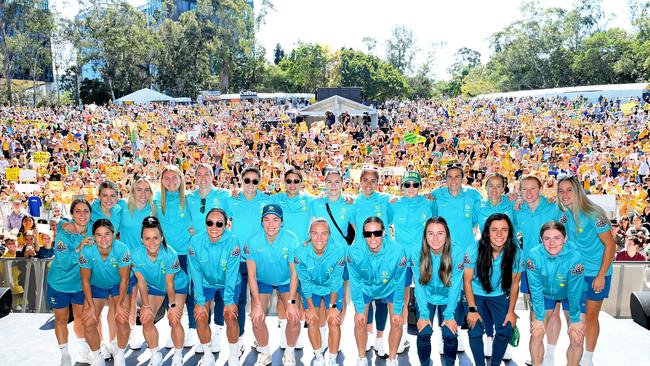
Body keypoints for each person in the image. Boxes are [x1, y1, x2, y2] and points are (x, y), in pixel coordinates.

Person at [557, 175, 616, 366]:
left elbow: (610, 246)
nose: (565, 194)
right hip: (575, 275)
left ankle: (588, 357)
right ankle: (576, 353)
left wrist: (600, 276)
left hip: (596, 274)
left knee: (591, 317)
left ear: (578, 191)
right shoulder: (564, 215)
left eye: (569, 190)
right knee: (575, 318)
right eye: (561, 191)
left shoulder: (594, 214)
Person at [430, 163, 482, 353]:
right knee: (444, 292)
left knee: (461, 293)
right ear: (445, 178)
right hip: (443, 252)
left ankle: (457, 331)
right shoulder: (436, 195)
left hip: (466, 253)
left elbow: (477, 220)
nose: (453, 180)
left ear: (463, 178)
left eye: (457, 176)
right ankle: (444, 332)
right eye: (449, 176)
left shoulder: (473, 195)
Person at [244, 204, 301, 366]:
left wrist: (291, 302)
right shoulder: (252, 241)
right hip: (263, 281)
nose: (271, 224)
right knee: (256, 317)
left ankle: (289, 353)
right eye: (267, 219)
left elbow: (294, 273)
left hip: (286, 281)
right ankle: (265, 352)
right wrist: (256, 304)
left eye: (275, 220)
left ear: (282, 222)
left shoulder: (291, 239)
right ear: (261, 222)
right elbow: (252, 275)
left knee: (294, 316)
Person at [464, 213, 523, 366]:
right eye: (494, 229)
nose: (499, 234)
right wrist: (471, 309)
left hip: (499, 294)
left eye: (504, 229)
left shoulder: (516, 253)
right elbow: (467, 281)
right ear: (487, 232)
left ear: (509, 232)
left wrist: (511, 312)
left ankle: (495, 363)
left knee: (506, 329)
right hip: (476, 293)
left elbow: (515, 284)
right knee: (475, 328)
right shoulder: (474, 250)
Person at [514, 174, 562, 364]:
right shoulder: (518, 210)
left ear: (541, 189)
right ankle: (537, 353)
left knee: (555, 312)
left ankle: (549, 355)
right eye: (524, 189)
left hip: (553, 268)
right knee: (535, 312)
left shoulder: (553, 207)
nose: (529, 193)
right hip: (529, 269)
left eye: (533, 188)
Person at [348, 216, 407, 366]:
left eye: (377, 233)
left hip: (390, 287)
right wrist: (360, 310)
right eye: (368, 234)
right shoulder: (353, 252)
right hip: (365, 287)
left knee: (397, 321)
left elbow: (400, 283)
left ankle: (392, 359)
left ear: (384, 232)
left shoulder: (398, 251)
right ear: (363, 235)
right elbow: (355, 283)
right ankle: (362, 358)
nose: (372, 238)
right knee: (360, 321)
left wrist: (398, 310)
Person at [188, 208, 243, 366]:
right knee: (200, 315)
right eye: (210, 222)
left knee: (230, 315)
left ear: (225, 225)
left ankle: (233, 355)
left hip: (228, 282)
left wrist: (228, 301)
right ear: (205, 224)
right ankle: (207, 355)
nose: (214, 227)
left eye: (219, 224)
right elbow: (195, 273)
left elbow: (232, 274)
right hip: (205, 282)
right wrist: (199, 302)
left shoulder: (233, 241)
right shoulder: (195, 242)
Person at [131, 216, 189, 366]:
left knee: (174, 319)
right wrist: (145, 306)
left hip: (176, 285)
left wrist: (173, 307)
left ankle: (178, 355)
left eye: (156, 238)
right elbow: (141, 283)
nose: (152, 243)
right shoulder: (136, 255)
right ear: (142, 239)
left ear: (162, 237)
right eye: (147, 238)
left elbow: (169, 283)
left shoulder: (170, 254)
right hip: (155, 286)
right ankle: (155, 354)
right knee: (146, 319)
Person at [528, 221, 587, 366]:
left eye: (557, 237)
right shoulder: (533, 255)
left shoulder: (575, 257)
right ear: (541, 239)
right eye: (547, 238)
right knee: (536, 333)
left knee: (577, 337)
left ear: (565, 238)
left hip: (571, 294)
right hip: (545, 293)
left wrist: (574, 319)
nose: (552, 243)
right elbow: (535, 289)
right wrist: (540, 318)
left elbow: (574, 291)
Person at [186, 163, 231, 353]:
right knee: (197, 289)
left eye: (207, 174)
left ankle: (219, 331)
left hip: (219, 249)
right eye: (199, 174)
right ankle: (198, 330)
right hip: (197, 251)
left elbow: (231, 220)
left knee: (220, 291)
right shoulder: (189, 198)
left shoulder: (224, 195)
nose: (203, 177)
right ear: (194, 177)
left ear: (213, 176)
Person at [226, 166, 272, 348]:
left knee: (257, 301)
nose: (250, 184)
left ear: (259, 182)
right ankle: (240, 339)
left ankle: (259, 339)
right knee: (239, 300)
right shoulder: (232, 201)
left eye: (254, 181)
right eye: (247, 180)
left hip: (259, 260)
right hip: (238, 260)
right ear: (241, 180)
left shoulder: (266, 201)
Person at [388, 170, 432, 354]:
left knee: (425, 296)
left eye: (415, 184)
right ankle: (403, 334)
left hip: (422, 256)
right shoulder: (393, 204)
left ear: (420, 187)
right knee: (402, 298)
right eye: (407, 184)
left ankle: (427, 332)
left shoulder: (429, 203)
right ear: (402, 187)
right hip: (401, 259)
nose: (411, 188)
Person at [411, 217, 464, 366]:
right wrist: (423, 314)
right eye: (430, 233)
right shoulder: (416, 252)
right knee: (424, 332)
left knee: (450, 333)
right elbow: (419, 285)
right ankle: (425, 363)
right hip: (426, 297)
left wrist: (449, 315)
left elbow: (455, 287)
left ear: (446, 235)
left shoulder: (457, 252)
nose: (435, 238)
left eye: (440, 233)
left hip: (449, 297)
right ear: (425, 235)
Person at [79, 219, 133, 366]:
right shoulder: (87, 250)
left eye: (107, 234)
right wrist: (90, 305)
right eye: (99, 235)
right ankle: (97, 356)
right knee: (89, 321)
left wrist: (120, 303)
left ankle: (120, 354)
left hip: (118, 285)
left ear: (114, 235)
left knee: (122, 318)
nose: (103, 239)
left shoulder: (122, 249)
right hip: (96, 286)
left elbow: (124, 280)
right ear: (93, 236)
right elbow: (85, 281)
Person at [154, 165, 197, 348]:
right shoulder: (156, 201)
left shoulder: (189, 200)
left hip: (186, 254)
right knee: (170, 294)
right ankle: (174, 328)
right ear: (162, 181)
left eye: (175, 177)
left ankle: (193, 329)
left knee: (189, 293)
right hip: (166, 255)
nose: (171, 181)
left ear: (181, 179)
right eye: (167, 178)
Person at [293, 218, 346, 366]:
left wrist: (333, 307)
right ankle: (318, 356)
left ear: (329, 235)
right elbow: (304, 281)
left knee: (334, 322)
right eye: (315, 233)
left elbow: (336, 280)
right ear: (309, 234)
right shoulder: (300, 251)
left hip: (331, 287)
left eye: (324, 234)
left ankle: (333, 360)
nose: (319, 238)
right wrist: (309, 308)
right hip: (312, 287)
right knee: (311, 320)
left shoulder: (339, 250)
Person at [46, 199, 92, 365]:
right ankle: (65, 355)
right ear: (72, 214)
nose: (82, 214)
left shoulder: (93, 230)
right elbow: (65, 264)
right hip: (60, 284)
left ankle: (84, 352)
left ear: (90, 214)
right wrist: (79, 247)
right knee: (61, 320)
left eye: (86, 211)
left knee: (81, 319)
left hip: (80, 285)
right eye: (78, 211)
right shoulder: (63, 233)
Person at [352, 166, 391, 355]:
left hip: (383, 257)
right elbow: (352, 227)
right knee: (366, 297)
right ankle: (367, 335)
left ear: (378, 183)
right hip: (363, 257)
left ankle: (380, 338)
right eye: (365, 180)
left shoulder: (386, 200)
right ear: (359, 182)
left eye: (372, 180)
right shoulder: (353, 202)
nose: (368, 184)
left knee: (382, 300)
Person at [118, 175, 156, 350]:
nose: (143, 193)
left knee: (148, 298)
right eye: (139, 189)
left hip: (146, 260)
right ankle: (131, 330)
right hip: (125, 261)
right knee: (129, 297)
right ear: (132, 191)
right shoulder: (122, 207)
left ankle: (149, 331)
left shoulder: (154, 209)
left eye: (146, 189)